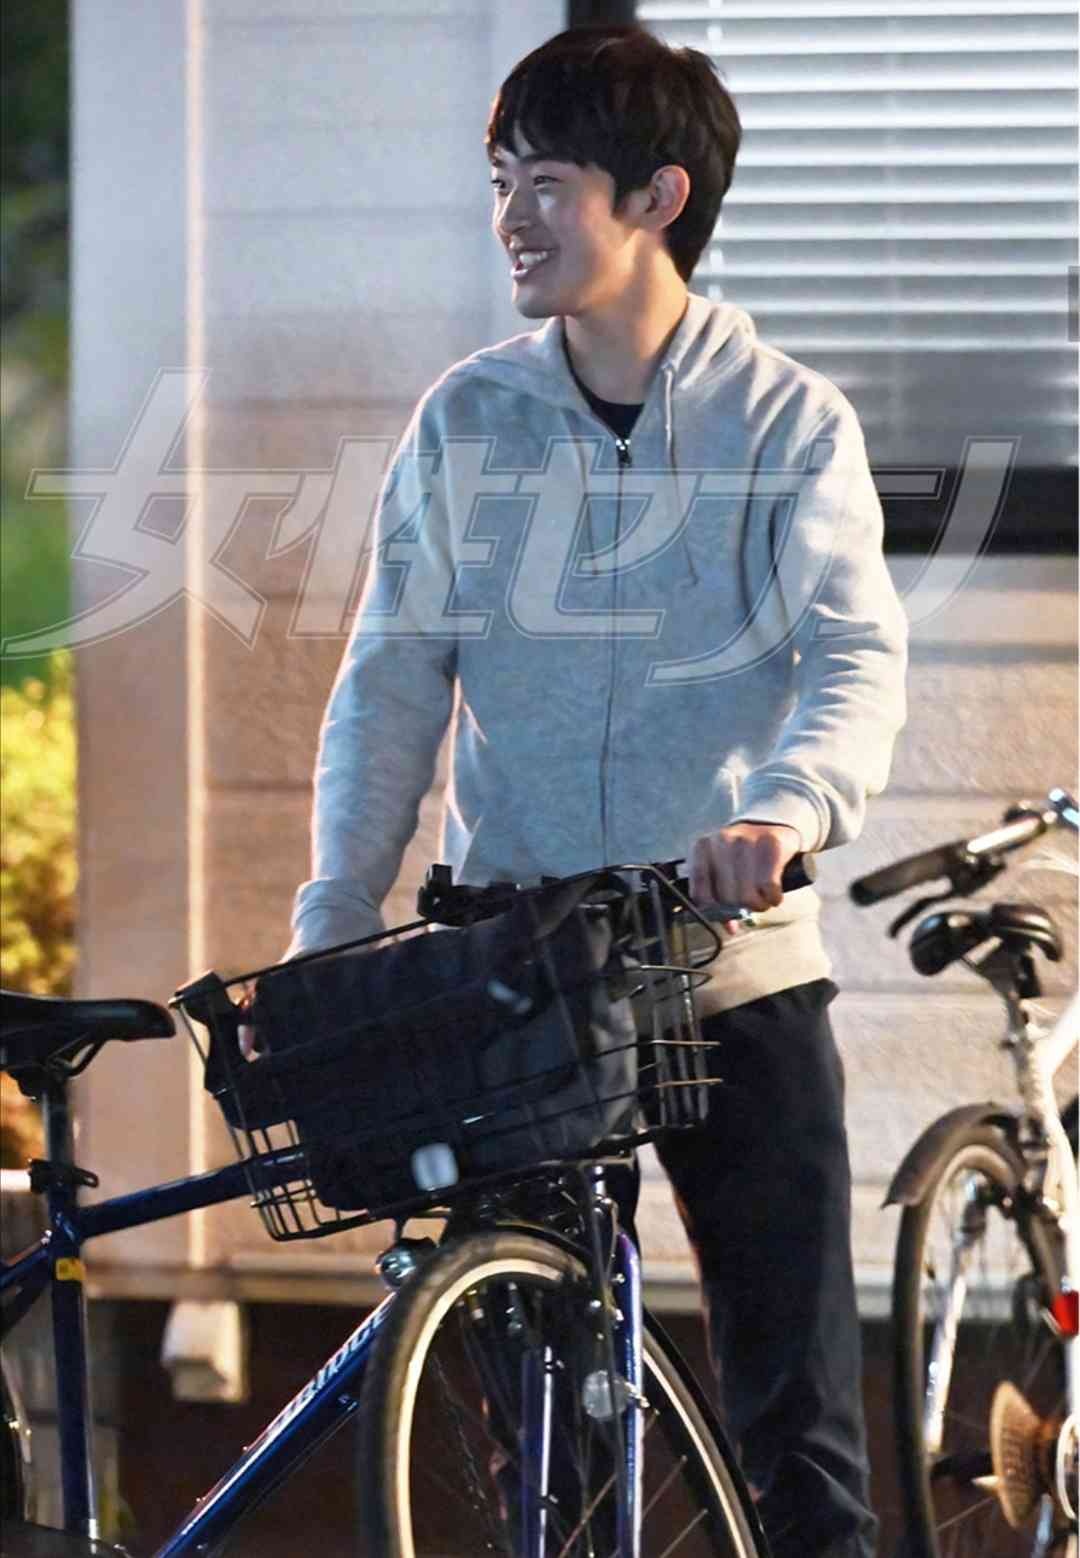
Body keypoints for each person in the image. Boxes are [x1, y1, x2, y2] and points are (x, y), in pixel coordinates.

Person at [288, 25, 907, 1558]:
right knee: (542, 1441)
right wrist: (336, 907)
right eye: (499, 181)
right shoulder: (468, 421)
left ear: (657, 197)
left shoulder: (787, 421)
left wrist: (784, 810)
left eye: (545, 183)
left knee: (799, 1431)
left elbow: (853, 654)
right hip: (522, 971)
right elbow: (391, 678)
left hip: (731, 963)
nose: (510, 216)